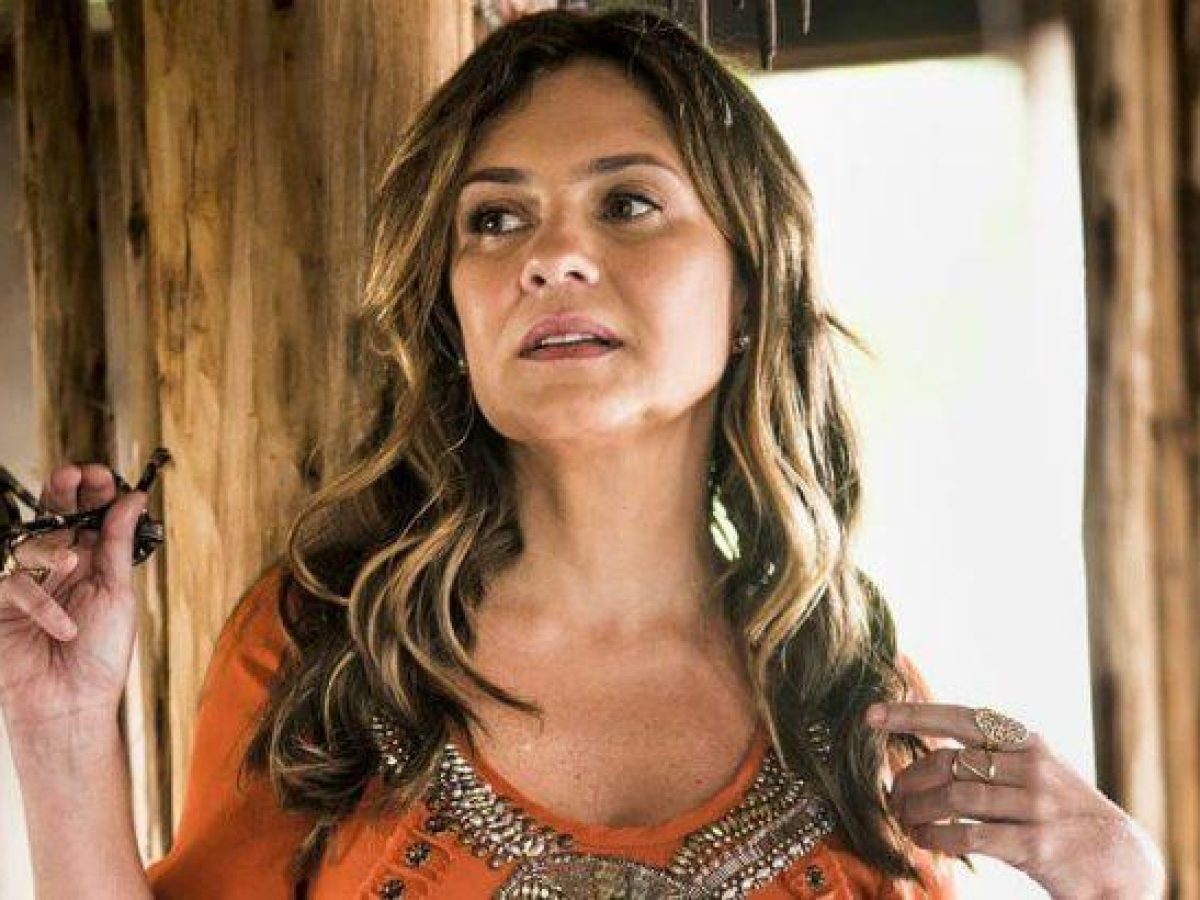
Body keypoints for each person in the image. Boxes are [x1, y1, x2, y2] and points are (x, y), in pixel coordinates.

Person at [0, 8, 1165, 899]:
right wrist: (59, 736)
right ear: (451, 316)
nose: (551, 258)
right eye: (496, 219)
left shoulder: (848, 693)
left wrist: (1122, 885)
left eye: (628, 204)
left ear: (749, 282)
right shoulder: (329, 653)